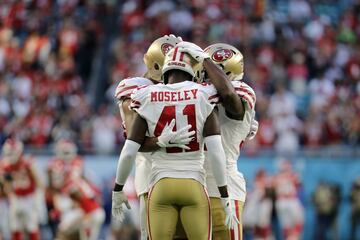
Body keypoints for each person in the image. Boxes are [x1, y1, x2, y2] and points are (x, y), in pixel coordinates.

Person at [112, 45, 239, 240]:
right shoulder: (204, 94)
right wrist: (224, 195)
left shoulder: (146, 95)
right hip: (194, 185)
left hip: (160, 185)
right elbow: (215, 152)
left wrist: (118, 189)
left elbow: (129, 151)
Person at [113, 34, 192, 240]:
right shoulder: (137, 88)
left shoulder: (182, 88)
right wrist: (160, 141)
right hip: (151, 171)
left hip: (189, 171)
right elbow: (134, 141)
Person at [178, 42, 257, 240]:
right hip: (191, 187)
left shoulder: (239, 91)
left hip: (223, 189)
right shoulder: (194, 92)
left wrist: (204, 60)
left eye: (207, 69)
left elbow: (229, 96)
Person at [0, 138, 43, 240]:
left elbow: (39, 182)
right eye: (8, 153)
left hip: (29, 197)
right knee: (15, 225)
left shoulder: (28, 163)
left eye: (12, 152)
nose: (9, 155)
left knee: (31, 225)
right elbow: (6, 188)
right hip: (15, 197)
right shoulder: (4, 165)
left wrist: (38, 200)